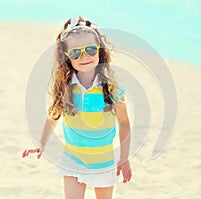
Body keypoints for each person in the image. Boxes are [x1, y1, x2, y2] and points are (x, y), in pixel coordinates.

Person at [23, 16, 132, 199]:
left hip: (104, 162)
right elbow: (53, 116)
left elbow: (124, 123)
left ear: (100, 51)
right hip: (73, 159)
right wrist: (41, 143)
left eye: (90, 50)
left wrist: (124, 157)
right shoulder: (65, 87)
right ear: (66, 57)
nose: (84, 57)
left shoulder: (111, 87)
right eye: (75, 53)